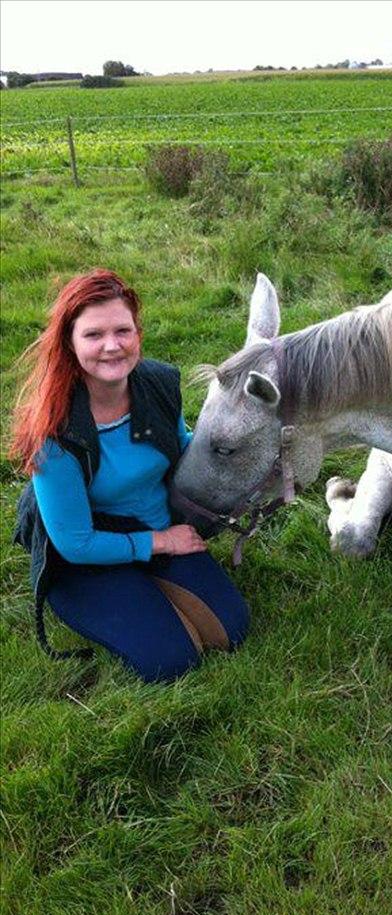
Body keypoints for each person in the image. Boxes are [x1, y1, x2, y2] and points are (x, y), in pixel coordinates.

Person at [10, 269, 249, 682]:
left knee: (232, 629)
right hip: (82, 554)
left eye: (123, 330)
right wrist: (162, 543)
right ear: (69, 342)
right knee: (171, 662)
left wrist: (239, 462)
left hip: (153, 523)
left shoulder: (158, 383)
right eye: (93, 335)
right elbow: (76, 543)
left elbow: (181, 446)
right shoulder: (53, 431)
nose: (111, 346)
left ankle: (149, 591)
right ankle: (87, 598)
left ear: (138, 333)